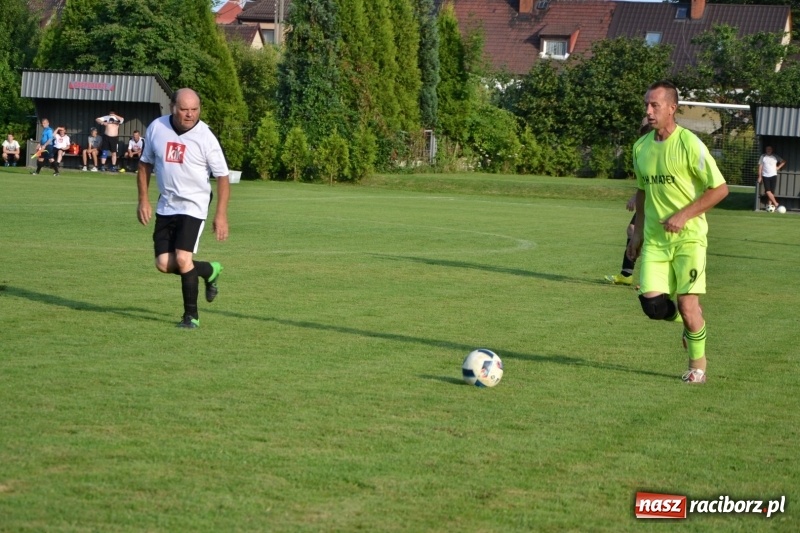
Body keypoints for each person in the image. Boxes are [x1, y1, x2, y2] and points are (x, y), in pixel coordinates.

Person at [627, 80, 729, 384]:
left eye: (654, 105)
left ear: (672, 108)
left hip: (689, 238)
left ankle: (698, 367)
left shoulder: (689, 144)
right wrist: (637, 234)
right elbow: (642, 192)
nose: (648, 111)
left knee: (687, 304)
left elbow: (720, 189)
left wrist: (684, 215)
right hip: (657, 242)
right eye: (646, 104)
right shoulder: (640, 147)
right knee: (652, 305)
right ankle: (688, 325)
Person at [137, 88, 230, 329]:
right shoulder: (157, 127)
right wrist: (143, 199)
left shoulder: (206, 137)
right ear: (172, 107)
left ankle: (191, 317)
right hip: (167, 204)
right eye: (184, 109)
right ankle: (209, 270)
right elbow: (145, 164)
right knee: (163, 264)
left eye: (194, 109)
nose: (190, 114)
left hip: (194, 204)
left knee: (182, 258)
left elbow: (222, 176)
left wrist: (220, 214)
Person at [605, 119, 653, 287]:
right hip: (648, 200)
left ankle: (651, 281)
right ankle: (627, 274)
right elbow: (646, 181)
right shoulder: (643, 151)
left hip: (661, 203)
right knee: (633, 230)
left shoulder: (660, 150)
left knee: (652, 238)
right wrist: (636, 196)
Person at [757, 145, 785, 211]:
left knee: (771, 192)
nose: (768, 150)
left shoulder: (775, 156)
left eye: (769, 149)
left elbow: (783, 161)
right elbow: (760, 167)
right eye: (767, 149)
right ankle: (776, 204)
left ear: (772, 150)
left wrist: (778, 167)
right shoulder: (763, 156)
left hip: (773, 175)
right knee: (767, 191)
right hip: (765, 175)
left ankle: (770, 206)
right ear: (765, 150)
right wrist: (760, 176)